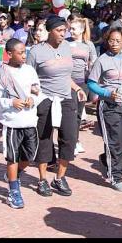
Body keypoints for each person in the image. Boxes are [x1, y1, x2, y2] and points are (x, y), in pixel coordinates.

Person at [27, 15, 85, 197]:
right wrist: (35, 95)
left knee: (69, 138)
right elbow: (28, 78)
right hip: (46, 99)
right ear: (50, 31)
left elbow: (65, 75)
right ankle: (42, 179)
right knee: (44, 139)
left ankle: (60, 178)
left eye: (64, 31)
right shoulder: (36, 51)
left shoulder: (66, 47)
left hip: (66, 98)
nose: (62, 34)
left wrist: (77, 88)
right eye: (59, 30)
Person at [0, 38, 44, 209]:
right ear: (9, 54)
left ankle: (14, 174)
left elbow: (37, 91)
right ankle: (14, 191)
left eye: (25, 52)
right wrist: (11, 102)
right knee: (12, 156)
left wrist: (32, 99)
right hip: (12, 123)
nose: (24, 56)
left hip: (30, 121)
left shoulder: (29, 70)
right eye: (20, 53)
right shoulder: (0, 74)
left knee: (30, 156)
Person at [88, 27, 122, 191]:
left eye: (118, 41)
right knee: (114, 142)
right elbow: (91, 83)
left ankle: (105, 159)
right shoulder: (102, 60)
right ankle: (116, 176)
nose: (114, 43)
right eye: (111, 40)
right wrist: (107, 93)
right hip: (108, 106)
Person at [68, 17, 97, 154]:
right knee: (69, 113)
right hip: (68, 82)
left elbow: (93, 62)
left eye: (74, 29)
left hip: (82, 82)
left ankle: (75, 140)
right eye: (70, 28)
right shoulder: (65, 43)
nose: (71, 31)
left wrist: (93, 80)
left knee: (79, 114)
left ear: (81, 30)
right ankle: (69, 142)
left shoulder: (88, 44)